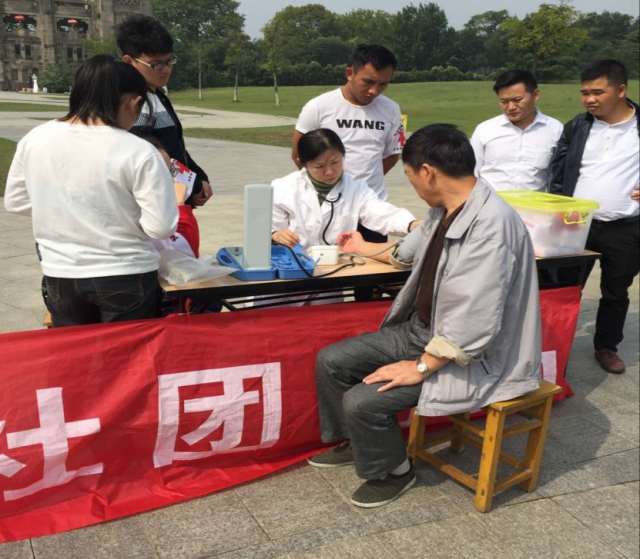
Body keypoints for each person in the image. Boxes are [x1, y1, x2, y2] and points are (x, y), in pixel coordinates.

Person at [308, 124, 541, 508]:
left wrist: (419, 367)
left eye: (409, 174)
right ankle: (357, 442)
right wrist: (365, 247)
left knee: (363, 401)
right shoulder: (444, 209)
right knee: (331, 361)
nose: (412, 183)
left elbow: (474, 322)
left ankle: (395, 471)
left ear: (428, 171)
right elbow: (405, 253)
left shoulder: (491, 226)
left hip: (470, 354)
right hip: (424, 332)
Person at [4, 55, 178, 327]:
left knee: (76, 352)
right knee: (125, 352)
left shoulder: (35, 138)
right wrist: (114, 216)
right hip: (124, 272)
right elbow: (160, 227)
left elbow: (15, 201)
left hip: (60, 273)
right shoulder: (139, 151)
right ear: (134, 102)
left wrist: (67, 210)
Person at [550, 59, 639, 375]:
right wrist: (556, 216)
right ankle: (554, 344)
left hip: (626, 228)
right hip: (577, 225)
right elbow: (558, 175)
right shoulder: (577, 126)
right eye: (584, 92)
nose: (589, 99)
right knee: (563, 288)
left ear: (621, 90)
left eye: (597, 92)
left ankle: (606, 346)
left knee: (615, 292)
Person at [292, 44, 404, 245]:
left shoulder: (392, 109)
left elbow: (393, 153)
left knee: (372, 263)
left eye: (383, 84)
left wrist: (362, 185)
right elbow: (299, 155)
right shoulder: (318, 106)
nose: (374, 91)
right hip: (329, 207)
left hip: (371, 208)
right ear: (350, 73)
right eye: (368, 82)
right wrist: (327, 183)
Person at [116, 14, 213, 208]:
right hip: (156, 206)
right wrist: (194, 186)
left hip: (178, 199)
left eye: (169, 61)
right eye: (156, 64)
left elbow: (175, 148)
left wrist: (199, 176)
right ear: (129, 61)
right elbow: (154, 158)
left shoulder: (157, 95)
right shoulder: (133, 104)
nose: (166, 69)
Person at [272, 129, 418, 250]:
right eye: (319, 166)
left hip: (338, 262)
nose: (329, 171)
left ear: (343, 156)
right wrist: (276, 235)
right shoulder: (282, 188)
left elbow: (381, 213)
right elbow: (270, 230)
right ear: (303, 164)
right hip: (295, 263)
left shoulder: (356, 188)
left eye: (335, 162)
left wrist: (411, 225)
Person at [470, 69, 563, 192]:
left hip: (534, 203)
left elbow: (559, 175)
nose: (511, 107)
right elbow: (471, 173)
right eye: (504, 101)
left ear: (535, 95)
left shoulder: (555, 129)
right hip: (491, 202)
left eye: (517, 100)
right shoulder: (485, 130)